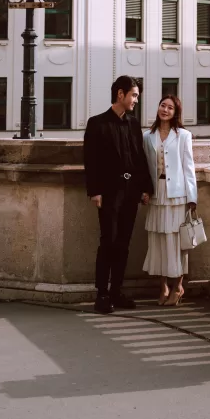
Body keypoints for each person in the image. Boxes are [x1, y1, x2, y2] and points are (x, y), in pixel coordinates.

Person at [84, 76, 153, 314]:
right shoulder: (97, 123)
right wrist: (95, 192)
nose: (136, 100)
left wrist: (145, 188)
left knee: (123, 244)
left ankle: (117, 291)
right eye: (134, 95)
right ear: (120, 94)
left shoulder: (134, 124)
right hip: (109, 193)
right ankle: (101, 294)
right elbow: (90, 161)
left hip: (131, 192)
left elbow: (139, 158)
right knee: (108, 243)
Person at [142, 95, 197, 306]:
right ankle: (163, 286)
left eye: (170, 108)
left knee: (177, 242)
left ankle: (178, 286)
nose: (165, 110)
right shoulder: (148, 136)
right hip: (157, 193)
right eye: (163, 105)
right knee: (158, 241)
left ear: (176, 113)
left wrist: (192, 197)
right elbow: (145, 168)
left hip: (178, 195)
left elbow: (188, 167)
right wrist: (144, 190)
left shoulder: (183, 135)